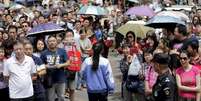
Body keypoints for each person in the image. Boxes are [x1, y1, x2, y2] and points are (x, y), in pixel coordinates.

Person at [40, 35, 70, 101]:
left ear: (56, 42)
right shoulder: (44, 53)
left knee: (61, 97)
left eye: (53, 41)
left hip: (60, 78)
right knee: (50, 98)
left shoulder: (62, 51)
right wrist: (45, 66)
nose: (52, 42)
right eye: (50, 41)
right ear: (47, 43)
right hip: (49, 79)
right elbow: (40, 65)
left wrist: (61, 65)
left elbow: (68, 63)